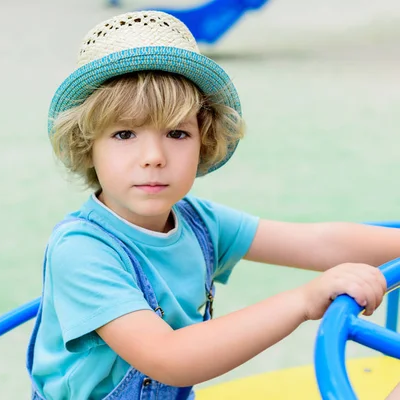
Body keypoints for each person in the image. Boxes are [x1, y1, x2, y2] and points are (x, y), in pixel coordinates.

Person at [25, 10, 400, 400]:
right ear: (88, 147)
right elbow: (168, 357)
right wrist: (302, 301)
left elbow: (321, 243)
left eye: (176, 133)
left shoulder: (198, 222)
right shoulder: (82, 251)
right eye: (124, 134)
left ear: (203, 141)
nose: (153, 155)